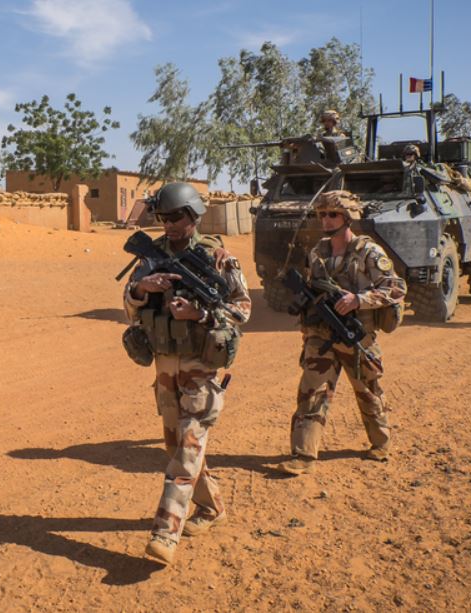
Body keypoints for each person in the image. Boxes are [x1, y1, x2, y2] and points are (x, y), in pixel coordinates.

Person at [122, 183, 251, 565]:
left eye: (176, 217)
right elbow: (129, 310)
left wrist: (199, 314)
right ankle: (212, 508)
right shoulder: (150, 257)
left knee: (186, 452)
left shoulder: (217, 258)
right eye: (162, 218)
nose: (169, 225)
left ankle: (165, 533)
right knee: (177, 447)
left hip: (200, 366)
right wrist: (141, 289)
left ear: (194, 216)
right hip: (164, 365)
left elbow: (243, 308)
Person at [278, 190, 406, 476]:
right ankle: (304, 455)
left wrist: (358, 300)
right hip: (321, 335)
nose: (325, 219)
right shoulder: (318, 251)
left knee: (369, 391)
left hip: (357, 335)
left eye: (332, 214)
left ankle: (380, 443)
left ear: (348, 217)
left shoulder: (368, 252)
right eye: (321, 214)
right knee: (311, 392)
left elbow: (396, 288)